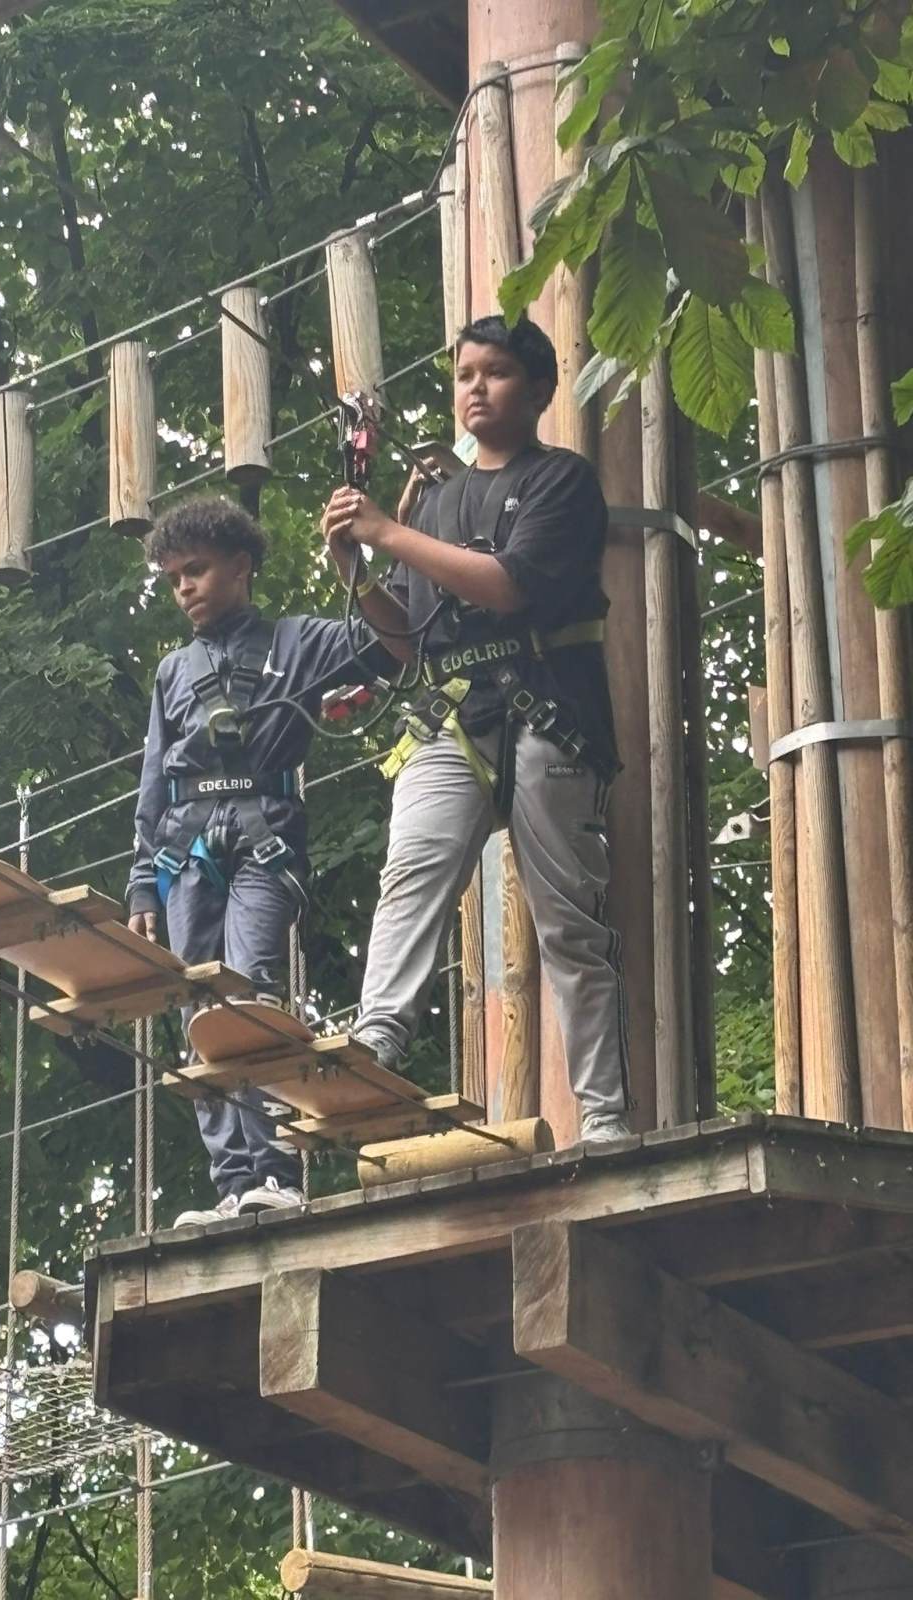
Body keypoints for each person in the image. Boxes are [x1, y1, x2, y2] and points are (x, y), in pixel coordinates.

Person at [320, 314, 632, 1143]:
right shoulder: (436, 502)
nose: (476, 389)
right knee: (411, 870)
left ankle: (604, 1116)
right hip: (454, 710)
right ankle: (377, 1037)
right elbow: (405, 638)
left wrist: (387, 531)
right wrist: (356, 570)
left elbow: (508, 586)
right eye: (464, 375)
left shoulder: (561, 481)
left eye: (495, 373)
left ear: (538, 389)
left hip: (548, 708)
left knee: (567, 921)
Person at [127, 496, 390, 1225]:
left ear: (241, 566)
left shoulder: (297, 643)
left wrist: (359, 559)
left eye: (197, 569)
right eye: (173, 577)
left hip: (264, 837)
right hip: (185, 848)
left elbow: (385, 635)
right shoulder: (173, 672)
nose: (184, 586)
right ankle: (232, 1182)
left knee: (250, 993)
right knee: (199, 1008)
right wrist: (143, 883)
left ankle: (274, 1172)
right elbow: (154, 779)